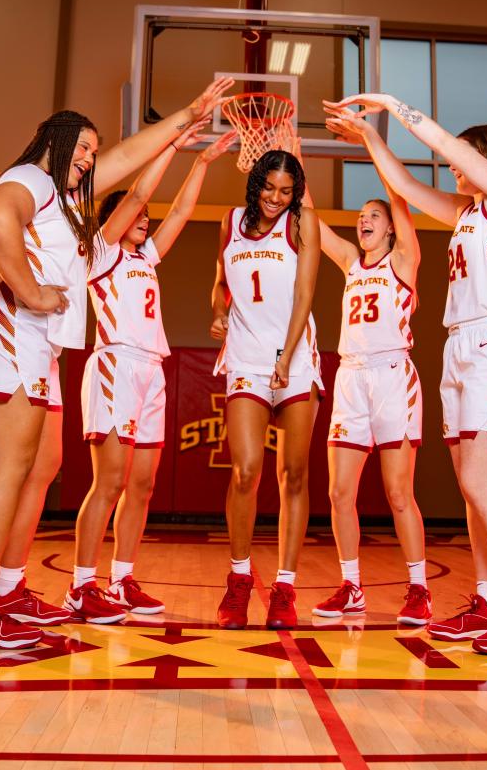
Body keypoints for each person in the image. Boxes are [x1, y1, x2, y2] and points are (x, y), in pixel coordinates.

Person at [0, 77, 234, 647]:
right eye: (80, 147)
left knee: (42, 463)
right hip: (7, 315)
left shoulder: (73, 208)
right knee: (8, 464)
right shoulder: (29, 178)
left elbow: (131, 172)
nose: (90, 157)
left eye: (93, 151)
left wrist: (185, 121)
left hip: (35, 334)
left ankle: (7, 587)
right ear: (52, 144)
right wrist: (30, 292)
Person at [326, 94, 487, 654]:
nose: (454, 166)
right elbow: (403, 189)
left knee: (482, 483)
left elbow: (443, 146)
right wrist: (371, 141)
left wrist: (386, 105)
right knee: (471, 490)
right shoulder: (468, 211)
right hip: (460, 348)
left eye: (465, 157)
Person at [65, 127, 237, 623]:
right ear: (115, 219)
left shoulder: (146, 258)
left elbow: (180, 212)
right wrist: (171, 146)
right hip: (116, 364)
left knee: (142, 485)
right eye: (136, 215)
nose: (145, 217)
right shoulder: (100, 251)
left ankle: (121, 580)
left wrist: (203, 164)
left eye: (146, 217)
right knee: (110, 482)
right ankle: (81, 587)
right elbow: (140, 192)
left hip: (151, 371)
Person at [307, 126, 430, 625]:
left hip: (392, 377)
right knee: (340, 492)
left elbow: (401, 199)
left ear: (392, 229)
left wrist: (370, 149)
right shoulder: (351, 264)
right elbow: (311, 223)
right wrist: (295, 160)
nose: (364, 221)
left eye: (374, 217)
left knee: (399, 492)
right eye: (361, 218)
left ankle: (419, 588)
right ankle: (351, 587)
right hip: (351, 378)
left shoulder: (404, 261)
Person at [210, 148, 321, 630]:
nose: (276, 198)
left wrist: (286, 355)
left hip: (294, 358)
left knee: (294, 475)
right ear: (255, 184)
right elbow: (220, 285)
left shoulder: (303, 223)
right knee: (245, 469)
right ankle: (238, 581)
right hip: (246, 358)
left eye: (286, 191)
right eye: (269, 188)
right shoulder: (230, 221)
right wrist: (217, 310)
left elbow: (305, 293)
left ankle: (285, 588)